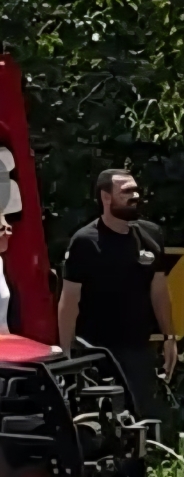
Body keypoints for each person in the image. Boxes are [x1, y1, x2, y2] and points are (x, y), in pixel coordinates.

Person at [58, 169, 176, 425]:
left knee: (146, 420)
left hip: (139, 347)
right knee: (103, 424)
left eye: (136, 190)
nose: (135, 196)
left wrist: (169, 338)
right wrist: (66, 354)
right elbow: (69, 301)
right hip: (96, 350)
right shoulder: (85, 241)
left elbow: (159, 290)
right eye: (126, 192)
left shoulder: (151, 234)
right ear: (106, 197)